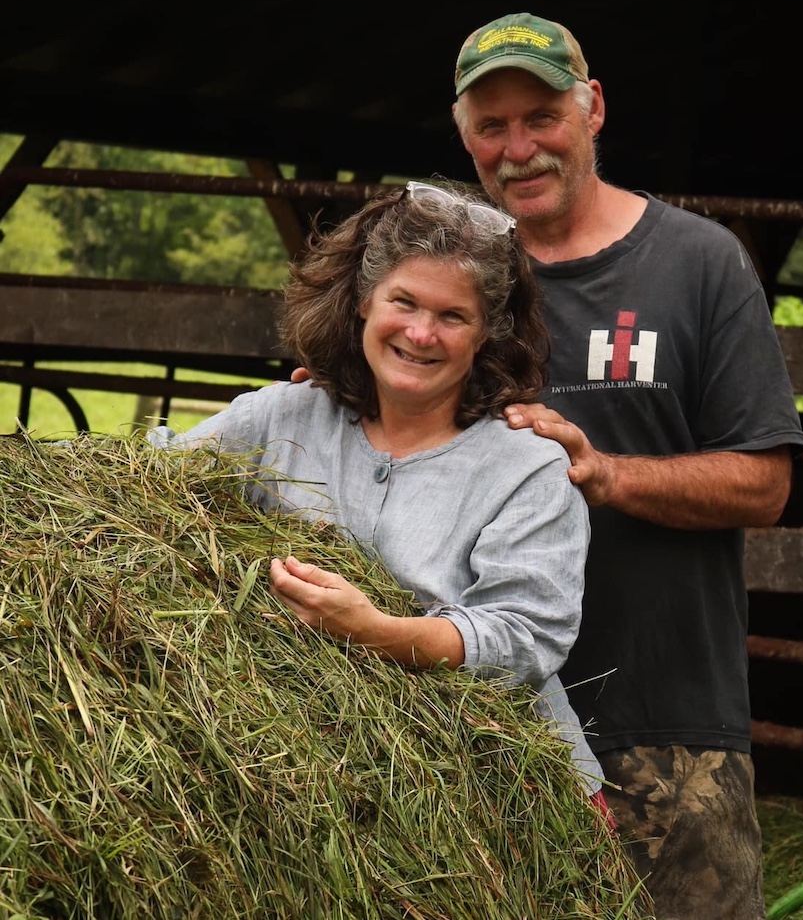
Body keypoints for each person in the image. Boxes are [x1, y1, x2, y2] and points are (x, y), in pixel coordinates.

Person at [448, 13, 803, 919]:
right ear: (464, 135)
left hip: (670, 726)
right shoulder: (453, 281)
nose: (519, 148)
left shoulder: (697, 262)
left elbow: (764, 484)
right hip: (481, 718)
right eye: (492, 127)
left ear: (593, 107)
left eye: (541, 116)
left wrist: (605, 474)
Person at [149, 180, 606, 806]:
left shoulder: (526, 469)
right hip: (310, 779)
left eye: (453, 316)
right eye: (405, 302)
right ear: (364, 299)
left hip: (496, 799)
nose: (421, 334)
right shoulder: (280, 418)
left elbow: (525, 638)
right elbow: (150, 483)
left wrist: (377, 632)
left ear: (486, 333)